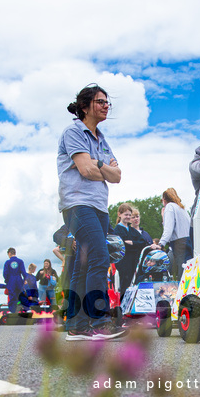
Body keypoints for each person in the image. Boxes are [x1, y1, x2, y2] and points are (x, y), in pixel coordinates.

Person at [57, 83, 127, 341]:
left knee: (82, 265)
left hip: (99, 206)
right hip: (77, 204)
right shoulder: (73, 132)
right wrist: (101, 167)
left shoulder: (102, 140)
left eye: (107, 102)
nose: (106, 105)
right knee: (99, 256)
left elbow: (117, 176)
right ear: (85, 107)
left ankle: (77, 326)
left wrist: (97, 164)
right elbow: (86, 170)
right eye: (100, 101)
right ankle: (98, 322)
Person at [155, 187, 192, 281]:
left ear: (164, 199)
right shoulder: (181, 208)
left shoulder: (169, 207)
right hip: (188, 241)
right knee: (187, 272)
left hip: (178, 244)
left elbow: (168, 229)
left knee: (181, 274)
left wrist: (161, 244)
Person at [113, 203, 149, 296]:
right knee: (125, 284)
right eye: (126, 215)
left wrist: (133, 243)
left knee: (135, 284)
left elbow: (142, 242)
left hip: (134, 261)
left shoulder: (132, 230)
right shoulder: (117, 230)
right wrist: (133, 245)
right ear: (119, 214)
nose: (128, 217)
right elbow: (122, 245)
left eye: (129, 215)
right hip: (124, 262)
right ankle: (123, 307)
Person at [3, 248, 28, 314]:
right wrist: (25, 280)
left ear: (9, 253)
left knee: (12, 296)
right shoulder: (20, 261)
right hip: (19, 279)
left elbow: (5, 273)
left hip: (11, 280)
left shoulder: (7, 262)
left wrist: (6, 281)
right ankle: (23, 308)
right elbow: (24, 273)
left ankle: (13, 311)